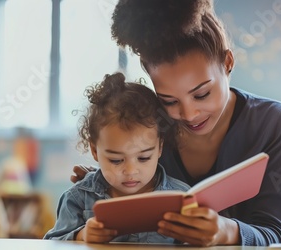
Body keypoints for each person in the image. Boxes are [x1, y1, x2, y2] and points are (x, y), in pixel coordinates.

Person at [71, 0, 281, 246]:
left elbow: (276, 233)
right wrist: (111, 181)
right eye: (169, 101)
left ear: (228, 62)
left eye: (201, 94)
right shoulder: (151, 127)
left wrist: (227, 231)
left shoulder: (273, 124)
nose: (189, 115)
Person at [44, 72, 190, 243]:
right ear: (95, 150)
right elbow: (52, 243)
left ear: (160, 148)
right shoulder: (79, 199)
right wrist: (81, 236)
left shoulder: (182, 198)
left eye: (143, 158)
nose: (130, 171)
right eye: (116, 160)